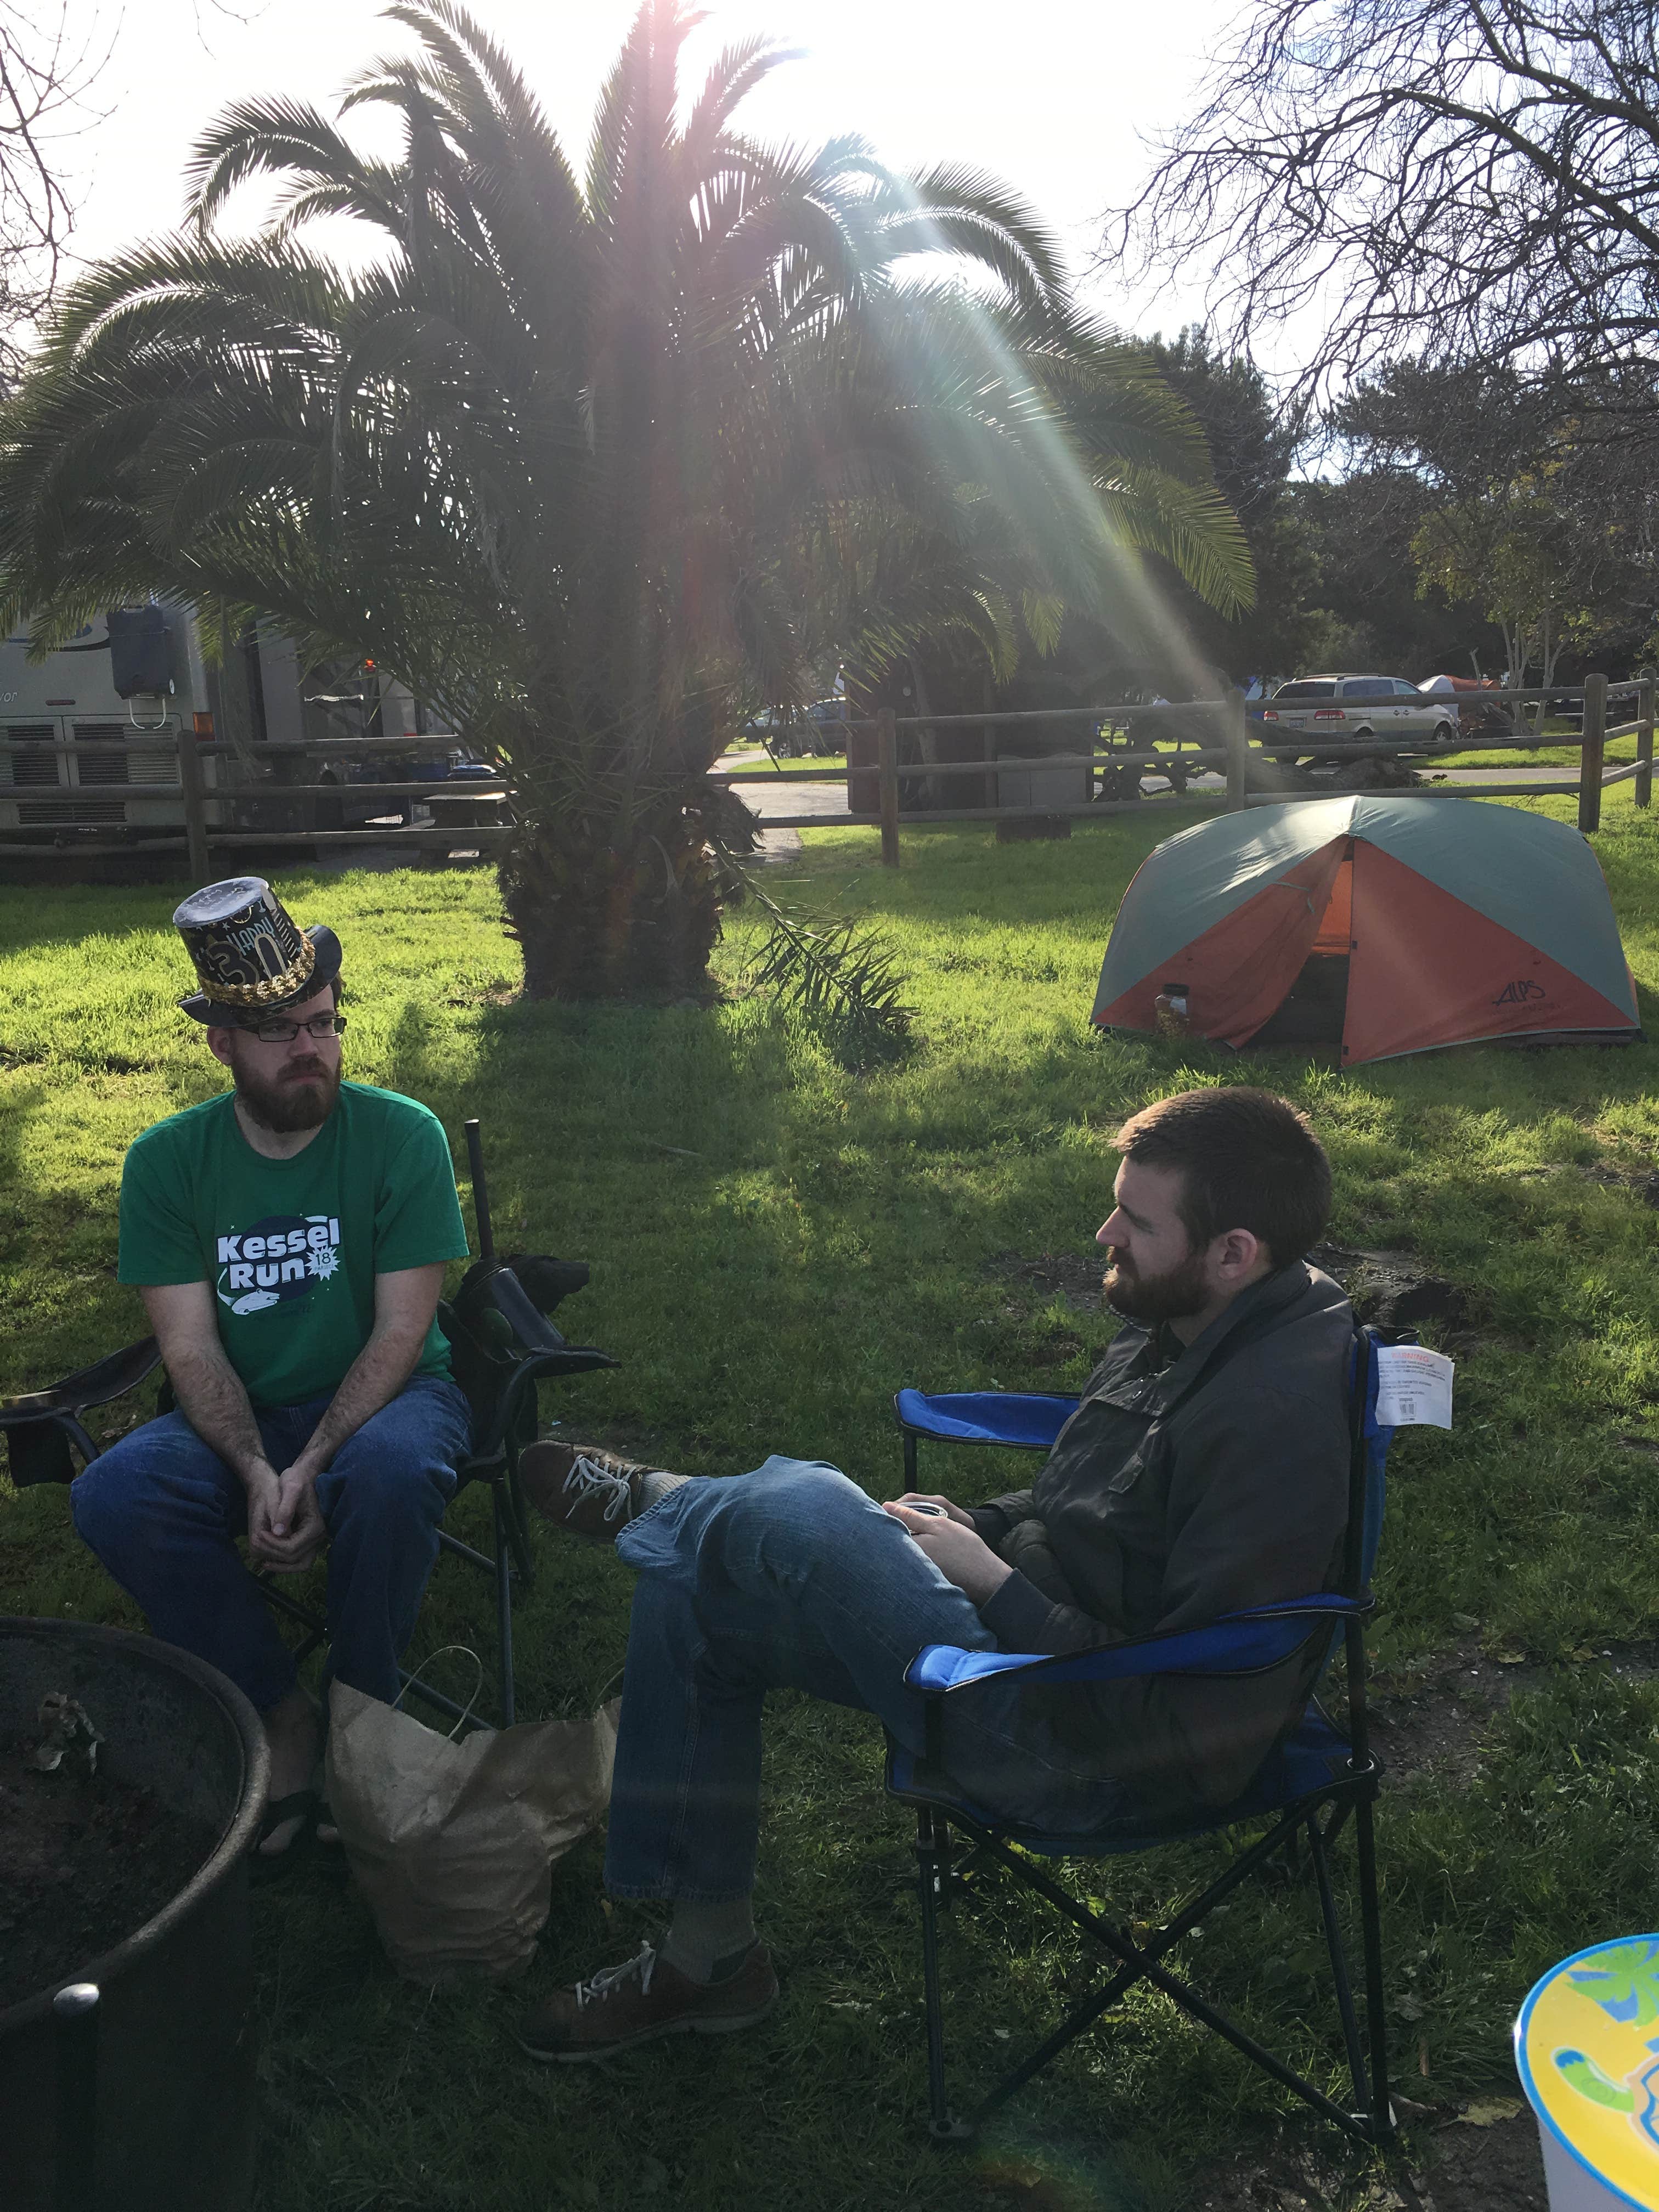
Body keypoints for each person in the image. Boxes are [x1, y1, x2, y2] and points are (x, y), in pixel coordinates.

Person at [511, 1086, 1353, 2062]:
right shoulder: (1188, 1316)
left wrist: (995, 1585)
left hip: (1089, 1754)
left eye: (1135, 1217)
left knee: (813, 1508)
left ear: (1234, 1252)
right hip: (1030, 1655)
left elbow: (1188, 1728)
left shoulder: (1270, 1430)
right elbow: (1090, 1510)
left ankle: (664, 1498)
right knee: (693, 1591)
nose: (1104, 1230)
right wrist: (974, 1528)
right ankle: (710, 1960)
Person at [72, 878, 472, 1869]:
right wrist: (259, 1469)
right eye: (280, 1032)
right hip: (243, 1414)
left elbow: (399, 1332)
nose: (311, 1049)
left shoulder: (401, 1135)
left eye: (324, 1024)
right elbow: (193, 1351)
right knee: (114, 1493)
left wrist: (321, 1457)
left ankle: (362, 1706)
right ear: (221, 1044)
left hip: (393, 1397)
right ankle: (277, 1711)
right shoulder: (167, 1164)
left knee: (387, 1473)